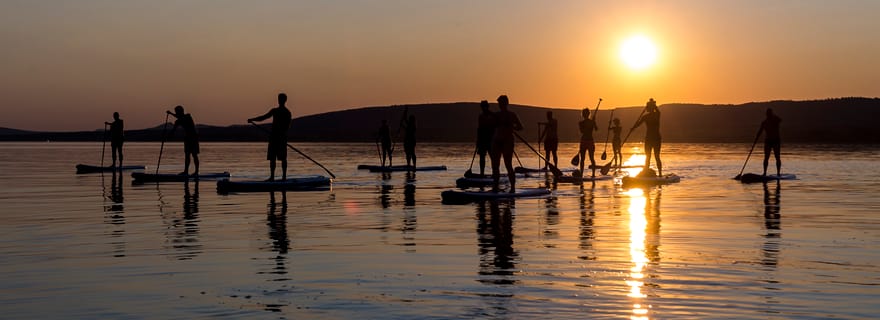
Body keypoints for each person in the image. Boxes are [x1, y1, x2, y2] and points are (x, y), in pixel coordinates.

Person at [248, 93, 293, 181]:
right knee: (272, 158)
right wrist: (252, 119)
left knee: (283, 158)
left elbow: (287, 126)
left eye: (281, 99)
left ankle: (284, 177)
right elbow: (263, 117)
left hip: (281, 138)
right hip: (273, 138)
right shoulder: (274, 111)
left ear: (284, 100)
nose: (279, 100)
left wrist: (281, 134)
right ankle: (272, 177)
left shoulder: (287, 112)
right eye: (279, 99)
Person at [490, 95, 523, 193]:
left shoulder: (512, 115)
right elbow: (492, 126)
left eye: (502, 103)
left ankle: (512, 188)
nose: (500, 105)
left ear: (506, 103)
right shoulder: (496, 115)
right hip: (497, 141)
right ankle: (495, 187)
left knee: (508, 164)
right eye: (499, 103)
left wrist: (511, 126)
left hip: (507, 141)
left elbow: (520, 127)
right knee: (495, 165)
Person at [632, 98, 662, 176]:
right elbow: (638, 124)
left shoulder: (657, 114)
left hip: (656, 138)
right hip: (648, 138)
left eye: (648, 107)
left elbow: (657, 110)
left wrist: (652, 104)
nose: (647, 109)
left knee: (656, 156)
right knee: (647, 156)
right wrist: (633, 128)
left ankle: (660, 174)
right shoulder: (646, 116)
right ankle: (646, 173)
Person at [167, 105, 199, 175]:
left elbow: (181, 118)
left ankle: (196, 172)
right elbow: (173, 130)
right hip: (187, 139)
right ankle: (186, 171)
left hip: (193, 138)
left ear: (181, 112)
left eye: (178, 112)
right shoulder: (178, 121)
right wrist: (167, 136)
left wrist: (171, 114)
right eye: (176, 112)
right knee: (187, 155)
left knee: (194, 155)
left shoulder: (188, 117)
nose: (177, 113)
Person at [759, 108, 782, 176]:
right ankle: (765, 173)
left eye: (770, 114)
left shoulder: (776, 120)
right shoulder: (764, 122)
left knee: (777, 157)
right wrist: (756, 139)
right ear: (766, 114)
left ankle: (778, 173)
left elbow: (780, 119)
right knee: (766, 157)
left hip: (776, 141)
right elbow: (760, 131)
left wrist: (774, 116)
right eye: (767, 114)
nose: (768, 115)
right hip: (768, 141)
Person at [577, 108, 598, 177]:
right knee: (582, 158)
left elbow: (596, 129)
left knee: (591, 158)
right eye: (584, 113)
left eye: (586, 113)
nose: (585, 115)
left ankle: (593, 174)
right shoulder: (581, 123)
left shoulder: (592, 122)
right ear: (583, 114)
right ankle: (581, 174)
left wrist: (594, 122)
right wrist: (590, 123)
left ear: (588, 114)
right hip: (584, 141)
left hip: (590, 141)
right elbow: (582, 131)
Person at [476, 100, 495, 176]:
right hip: (482, 140)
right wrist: (478, 141)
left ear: (487, 106)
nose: (483, 108)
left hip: (491, 140)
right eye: (482, 107)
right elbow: (479, 129)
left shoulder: (493, 115)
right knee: (482, 157)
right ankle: (482, 173)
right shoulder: (481, 116)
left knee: (493, 157)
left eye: (485, 106)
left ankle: (495, 173)